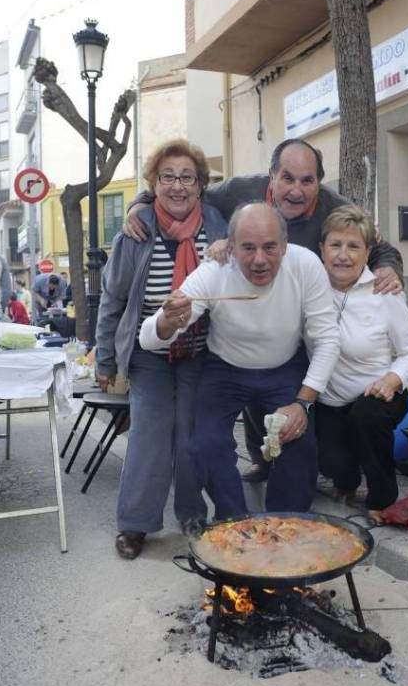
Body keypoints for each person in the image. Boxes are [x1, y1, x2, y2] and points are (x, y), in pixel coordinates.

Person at [126, 138, 405, 483]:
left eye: (307, 181)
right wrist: (140, 204)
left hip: (306, 311)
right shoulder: (239, 190)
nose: (297, 190)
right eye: (287, 178)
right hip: (245, 312)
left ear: (320, 181)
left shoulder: (332, 204)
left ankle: (304, 460)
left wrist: (389, 267)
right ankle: (262, 457)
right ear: (270, 176)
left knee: (292, 398)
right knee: (249, 389)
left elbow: (374, 242)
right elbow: (186, 191)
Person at [139, 202, 340, 520]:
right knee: (205, 445)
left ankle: (284, 526)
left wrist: (302, 404)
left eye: (270, 247)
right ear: (230, 248)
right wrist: (168, 320)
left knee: (298, 446)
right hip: (225, 370)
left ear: (285, 246)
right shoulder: (213, 273)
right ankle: (235, 521)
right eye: (248, 248)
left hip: (285, 366)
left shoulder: (306, 266)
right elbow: (148, 337)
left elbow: (328, 339)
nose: (259, 260)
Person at [96, 139, 227, 560]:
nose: (177, 186)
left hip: (197, 347)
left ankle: (191, 514)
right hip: (146, 350)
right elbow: (113, 300)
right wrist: (105, 357)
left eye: (187, 177)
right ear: (154, 183)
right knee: (149, 434)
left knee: (189, 432)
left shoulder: (216, 224)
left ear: (200, 185)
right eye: (167, 177)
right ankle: (134, 524)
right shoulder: (134, 233)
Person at [315, 205, 408, 522]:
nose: (343, 255)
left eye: (354, 246)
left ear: (368, 252)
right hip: (330, 400)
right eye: (335, 245)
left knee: (366, 418)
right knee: (336, 466)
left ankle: (382, 496)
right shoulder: (310, 288)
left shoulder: (384, 290)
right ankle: (346, 479)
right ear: (322, 249)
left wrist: (393, 379)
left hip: (377, 395)